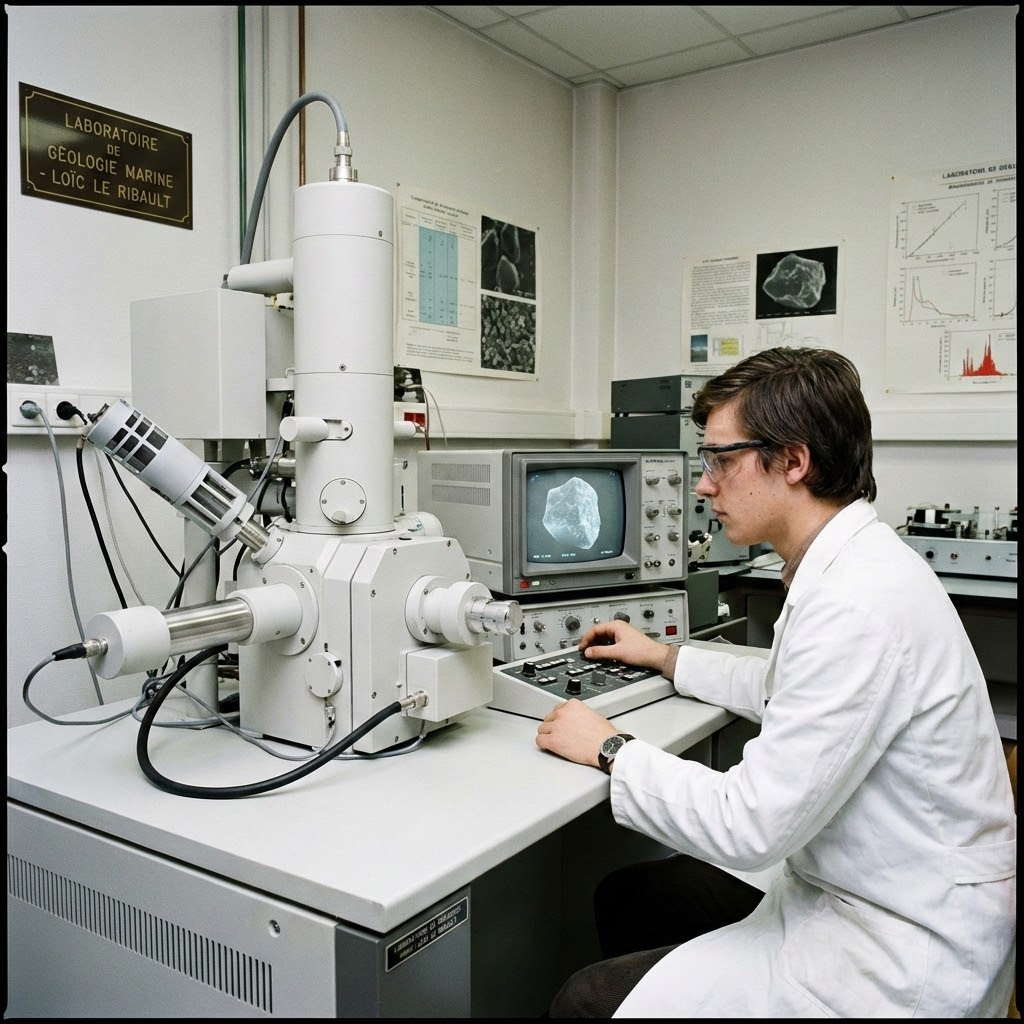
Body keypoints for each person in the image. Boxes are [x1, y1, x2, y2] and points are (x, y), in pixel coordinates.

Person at [535, 347, 1016, 1017]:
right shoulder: (849, 564)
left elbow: (749, 826)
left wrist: (611, 748)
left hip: (902, 950)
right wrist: (671, 659)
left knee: (583, 1002)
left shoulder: (856, 602)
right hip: (862, 886)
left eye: (721, 461)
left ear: (793, 461)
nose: (705, 485)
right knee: (632, 898)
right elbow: (791, 687)